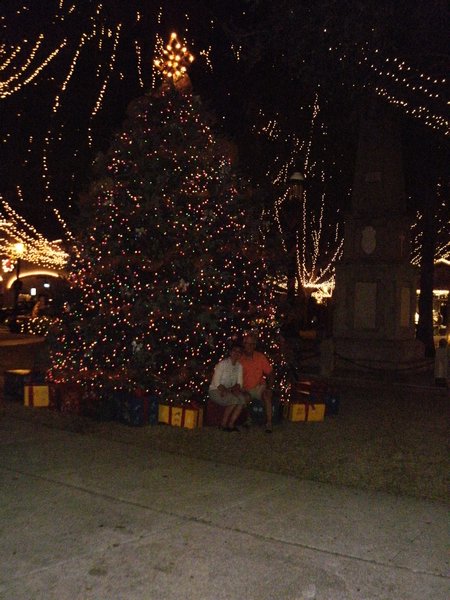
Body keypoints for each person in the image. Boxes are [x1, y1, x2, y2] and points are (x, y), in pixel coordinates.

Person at [239, 332, 274, 433]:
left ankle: (269, 423)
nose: (249, 346)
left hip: (259, 387)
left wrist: (270, 388)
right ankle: (248, 419)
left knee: (267, 395)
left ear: (254, 345)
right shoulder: (240, 359)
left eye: (252, 344)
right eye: (247, 344)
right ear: (244, 344)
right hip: (245, 388)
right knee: (244, 398)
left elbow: (270, 373)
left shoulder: (260, 357)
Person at [209, 344, 247, 431]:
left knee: (242, 399)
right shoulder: (222, 364)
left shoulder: (239, 366)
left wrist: (235, 389)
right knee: (233, 400)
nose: (236, 353)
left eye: (239, 352)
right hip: (216, 390)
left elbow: (239, 383)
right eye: (234, 351)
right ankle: (223, 424)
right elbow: (216, 382)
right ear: (230, 352)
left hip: (230, 390)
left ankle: (231, 424)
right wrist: (225, 391)